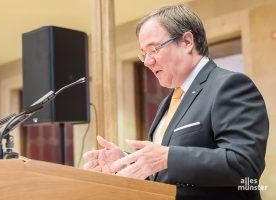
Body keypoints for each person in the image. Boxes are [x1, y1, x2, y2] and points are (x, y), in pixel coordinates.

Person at [83, 4, 269, 200]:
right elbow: (164, 174)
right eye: (144, 53)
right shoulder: (168, 102)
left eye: (153, 49)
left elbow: (246, 166)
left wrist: (167, 157)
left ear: (187, 41)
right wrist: (128, 162)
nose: (147, 62)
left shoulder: (229, 85)